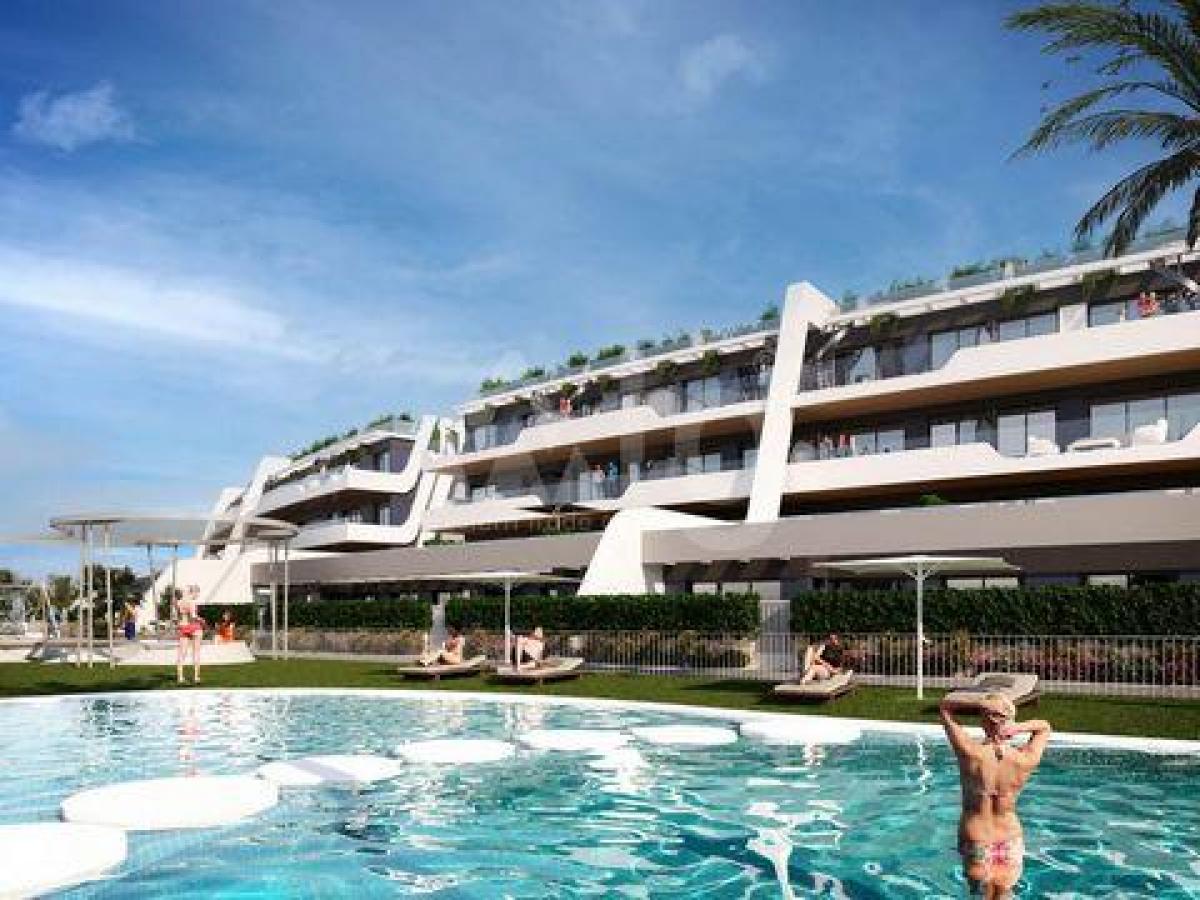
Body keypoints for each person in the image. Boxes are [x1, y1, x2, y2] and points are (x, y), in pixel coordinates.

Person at [940, 692, 1052, 899]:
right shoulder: (1025, 759)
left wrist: (981, 702)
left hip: (977, 838)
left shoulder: (969, 752)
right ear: (1010, 720)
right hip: (1010, 839)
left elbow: (946, 706)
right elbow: (1044, 727)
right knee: (1005, 894)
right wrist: (1017, 728)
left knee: (979, 894)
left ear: (984, 720)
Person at [175, 586, 204, 685]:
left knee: (182, 653)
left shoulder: (179, 602)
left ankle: (180, 677)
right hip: (194, 627)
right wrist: (201, 620)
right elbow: (193, 616)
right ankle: (196, 677)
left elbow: (177, 617)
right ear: (193, 592)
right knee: (196, 652)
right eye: (197, 593)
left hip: (183, 627)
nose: (197, 596)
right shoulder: (192, 602)